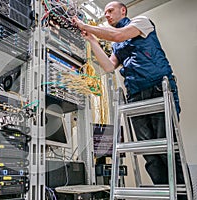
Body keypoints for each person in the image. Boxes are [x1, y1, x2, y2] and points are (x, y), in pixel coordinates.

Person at [72, 0, 186, 198]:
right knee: (150, 156)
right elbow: (108, 66)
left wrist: (84, 25)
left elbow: (118, 34)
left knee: (167, 151)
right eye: (105, 12)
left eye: (110, 10)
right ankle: (167, 196)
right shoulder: (118, 46)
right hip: (136, 97)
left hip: (157, 89)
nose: (107, 15)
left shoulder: (142, 22)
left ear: (123, 10)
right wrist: (92, 40)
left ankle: (182, 196)